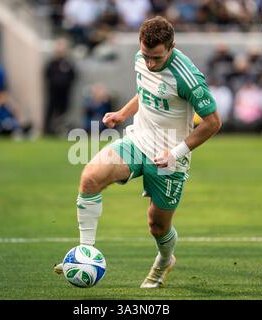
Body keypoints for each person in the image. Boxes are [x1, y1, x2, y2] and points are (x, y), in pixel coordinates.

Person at [54, 16, 221, 288]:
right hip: (139, 141)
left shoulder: (188, 78)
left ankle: (165, 260)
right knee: (90, 178)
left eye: (156, 58)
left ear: (171, 47)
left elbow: (214, 122)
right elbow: (145, 91)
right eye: (146, 56)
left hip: (169, 158)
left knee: (157, 226)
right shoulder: (140, 58)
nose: (150, 64)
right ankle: (85, 254)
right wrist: (122, 114)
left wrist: (176, 153)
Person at [44, 38, 76, 136]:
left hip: (64, 92)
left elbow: (73, 75)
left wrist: (65, 83)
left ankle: (61, 130)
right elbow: (47, 74)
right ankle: (48, 130)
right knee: (51, 110)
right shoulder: (52, 63)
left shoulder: (68, 63)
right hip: (53, 92)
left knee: (63, 111)